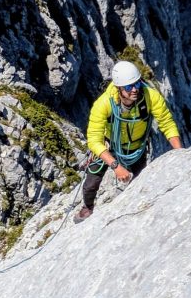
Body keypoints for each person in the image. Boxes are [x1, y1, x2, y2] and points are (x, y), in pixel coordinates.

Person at [75, 60, 183, 223]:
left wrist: (180, 153)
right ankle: (87, 208)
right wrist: (116, 166)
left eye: (137, 84)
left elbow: (166, 123)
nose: (134, 90)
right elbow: (94, 140)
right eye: (128, 87)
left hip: (136, 147)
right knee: (91, 183)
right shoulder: (103, 104)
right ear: (118, 88)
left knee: (140, 182)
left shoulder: (150, 96)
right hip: (109, 145)